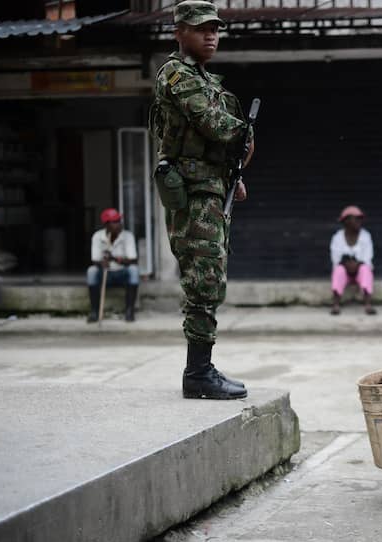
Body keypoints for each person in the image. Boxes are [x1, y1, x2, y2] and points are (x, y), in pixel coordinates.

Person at [149, 0, 254, 400]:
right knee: (203, 279)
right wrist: (242, 132)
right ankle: (197, 374)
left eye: (214, 28)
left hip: (210, 189)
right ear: (179, 32)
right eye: (200, 28)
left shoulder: (206, 79)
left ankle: (202, 368)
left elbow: (223, 141)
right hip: (192, 194)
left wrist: (232, 176)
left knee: (211, 278)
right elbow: (215, 126)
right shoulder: (177, 74)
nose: (211, 35)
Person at [86, 208, 138, 323]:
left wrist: (114, 258)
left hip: (122, 274)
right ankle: (94, 311)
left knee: (134, 270)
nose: (119, 223)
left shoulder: (128, 236)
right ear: (107, 225)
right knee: (91, 271)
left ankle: (130, 311)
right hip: (106, 274)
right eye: (114, 221)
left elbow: (133, 260)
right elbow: (95, 260)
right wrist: (102, 262)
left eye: (119, 220)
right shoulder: (97, 237)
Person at [330, 205, 376, 316]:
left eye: (360, 219)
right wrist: (346, 265)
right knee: (338, 270)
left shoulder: (365, 236)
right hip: (345, 271)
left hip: (359, 270)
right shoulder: (337, 238)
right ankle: (336, 304)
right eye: (356, 218)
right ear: (346, 221)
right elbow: (336, 259)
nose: (359, 221)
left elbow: (368, 258)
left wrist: (357, 265)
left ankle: (368, 304)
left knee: (366, 269)